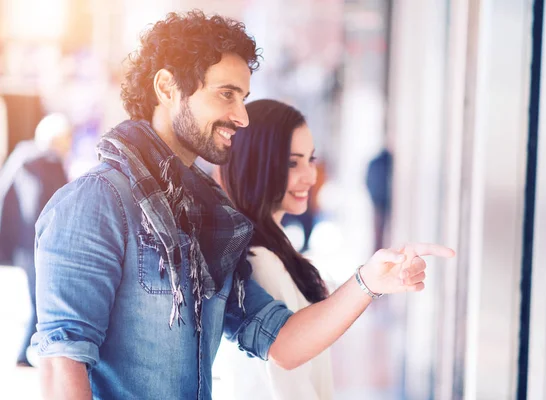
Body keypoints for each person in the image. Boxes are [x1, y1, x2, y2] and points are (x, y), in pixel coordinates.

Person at [32, 10, 455, 400]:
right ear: (166, 87)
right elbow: (60, 365)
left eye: (244, 96)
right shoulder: (94, 202)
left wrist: (368, 282)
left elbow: (282, 342)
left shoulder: (206, 217)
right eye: (226, 94)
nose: (242, 116)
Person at [217, 99, 332, 399]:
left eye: (311, 159)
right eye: (293, 163)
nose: (310, 176)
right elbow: (287, 383)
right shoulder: (260, 259)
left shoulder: (271, 246)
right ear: (258, 164)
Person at [0, 113, 72, 367]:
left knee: (36, 297)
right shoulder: (49, 165)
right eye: (66, 139)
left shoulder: (20, 158)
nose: (69, 145)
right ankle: (28, 354)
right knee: (41, 298)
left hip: (21, 243)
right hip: (40, 245)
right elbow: (60, 207)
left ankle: (25, 354)